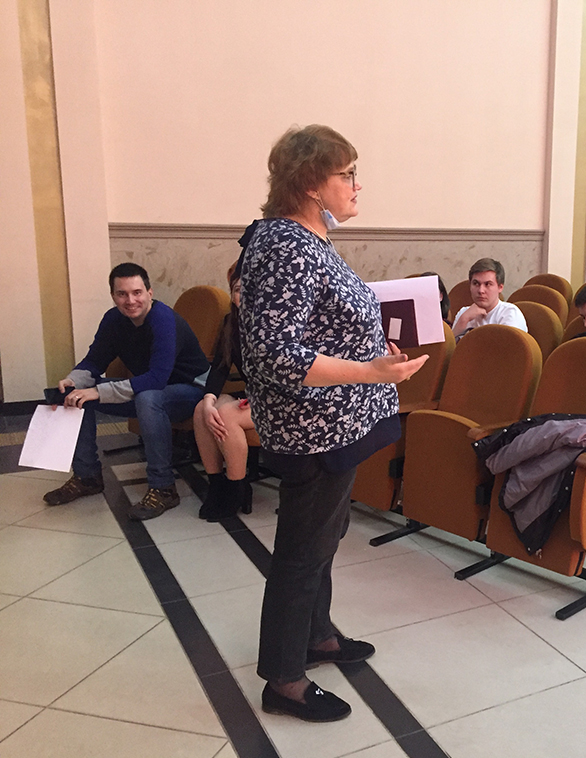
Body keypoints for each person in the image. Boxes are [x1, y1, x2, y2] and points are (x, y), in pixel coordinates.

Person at [238, 125, 427, 723]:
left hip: (335, 425)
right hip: (314, 430)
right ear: (311, 184)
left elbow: (318, 328)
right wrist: (369, 370)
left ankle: (317, 636)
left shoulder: (307, 241)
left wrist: (373, 356)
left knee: (324, 537)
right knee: (301, 552)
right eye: (346, 174)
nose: (356, 184)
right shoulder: (287, 246)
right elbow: (274, 354)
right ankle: (283, 680)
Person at [43, 263, 210, 521]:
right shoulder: (113, 320)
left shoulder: (164, 320)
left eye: (137, 292)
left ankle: (163, 487)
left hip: (192, 392)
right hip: (149, 392)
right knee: (76, 395)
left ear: (150, 293)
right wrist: (73, 380)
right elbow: (94, 360)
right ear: (113, 296)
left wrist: (99, 391)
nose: (130, 300)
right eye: (122, 294)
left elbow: (156, 379)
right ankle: (87, 477)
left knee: (148, 397)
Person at [193, 261, 254, 521]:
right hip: (253, 397)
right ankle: (216, 485)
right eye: (238, 290)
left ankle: (237, 487)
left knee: (227, 415)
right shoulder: (232, 321)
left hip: (281, 400)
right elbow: (220, 367)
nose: (244, 296)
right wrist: (209, 399)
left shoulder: (277, 323)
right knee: (202, 410)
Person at [451, 258, 528, 341]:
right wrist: (464, 320)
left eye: (488, 284)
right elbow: (450, 348)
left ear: (500, 287)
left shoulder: (509, 313)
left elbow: (506, 347)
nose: (481, 290)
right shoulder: (464, 313)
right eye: (476, 283)